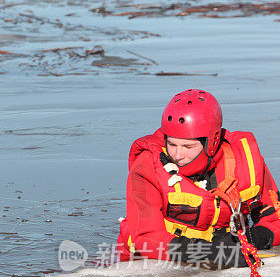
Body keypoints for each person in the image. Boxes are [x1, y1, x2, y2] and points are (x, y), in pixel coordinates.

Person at [117, 89, 280, 267]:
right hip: (159, 264)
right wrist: (210, 252)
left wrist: (253, 238)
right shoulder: (148, 166)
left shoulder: (246, 161)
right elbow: (144, 238)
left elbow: (275, 217)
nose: (178, 155)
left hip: (227, 255)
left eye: (188, 146)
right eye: (171, 144)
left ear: (212, 142)